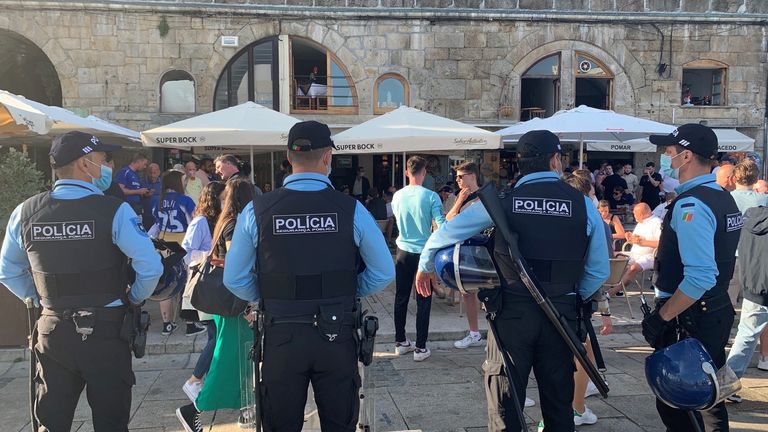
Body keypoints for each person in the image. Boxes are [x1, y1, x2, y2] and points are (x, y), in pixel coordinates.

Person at [415, 130, 609, 431]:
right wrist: (568, 295)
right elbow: (599, 270)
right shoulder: (583, 205)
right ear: (555, 160)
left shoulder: (501, 202)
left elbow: (444, 234)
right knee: (559, 407)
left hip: (511, 316)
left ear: (518, 164)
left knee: (506, 407)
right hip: (561, 317)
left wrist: (424, 266)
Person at [220, 121, 394, 431]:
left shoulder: (257, 211)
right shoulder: (351, 209)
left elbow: (234, 278)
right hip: (336, 333)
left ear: (288, 156)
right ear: (328, 157)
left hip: (281, 333)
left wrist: (268, 297)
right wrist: (350, 290)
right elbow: (382, 271)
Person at [0, 131, 163, 431]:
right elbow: (150, 267)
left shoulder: (25, 212)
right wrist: (134, 298)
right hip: (106, 331)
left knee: (51, 422)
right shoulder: (113, 210)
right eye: (103, 159)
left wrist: (41, 300)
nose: (108, 166)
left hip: (53, 332)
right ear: (84, 165)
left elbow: (8, 271)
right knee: (111, 422)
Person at [642, 123, 742, 431]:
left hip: (689, 316)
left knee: (680, 401)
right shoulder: (721, 197)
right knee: (708, 398)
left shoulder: (692, 204)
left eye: (670, 151)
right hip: (712, 309)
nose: (665, 156)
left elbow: (700, 276)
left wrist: (662, 317)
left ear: (686, 157)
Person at [176, 179, 257, 431]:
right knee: (227, 360)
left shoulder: (226, 220)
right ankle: (194, 409)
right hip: (234, 304)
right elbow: (236, 267)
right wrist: (247, 308)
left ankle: (247, 409)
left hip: (229, 303)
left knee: (241, 360)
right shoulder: (234, 224)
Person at [391, 156, 446, 361]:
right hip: (425, 252)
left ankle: (400, 341)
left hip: (403, 250)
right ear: (423, 173)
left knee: (401, 296)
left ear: (407, 173)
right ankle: (421, 347)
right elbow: (441, 225)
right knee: (424, 299)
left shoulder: (397, 196)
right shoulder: (431, 196)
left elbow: (396, 219)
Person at [179, 181, 226, 404]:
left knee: (215, 336)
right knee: (215, 337)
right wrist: (209, 255)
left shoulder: (221, 222)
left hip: (217, 286)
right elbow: (186, 254)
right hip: (204, 286)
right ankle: (195, 380)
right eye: (223, 196)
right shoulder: (200, 222)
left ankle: (205, 381)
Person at [725, 205, 768, 402]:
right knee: (746, 334)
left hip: (753, 285)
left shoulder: (750, 217)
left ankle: (726, 385)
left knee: (746, 335)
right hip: (759, 284)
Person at [149, 170, 198, 336]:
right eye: (183, 180)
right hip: (184, 245)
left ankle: (167, 325)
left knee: (167, 283)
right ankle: (191, 324)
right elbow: (194, 224)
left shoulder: (158, 201)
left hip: (164, 245)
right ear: (177, 182)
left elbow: (156, 224)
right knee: (187, 284)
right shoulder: (185, 200)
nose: (185, 183)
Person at [445, 162, 484, 349]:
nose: (457, 180)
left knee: (488, 293)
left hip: (481, 250)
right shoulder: (459, 197)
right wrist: (459, 201)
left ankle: (494, 336)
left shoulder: (483, 198)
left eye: (461, 176)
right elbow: (449, 220)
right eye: (457, 177)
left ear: (472, 176)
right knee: (466, 292)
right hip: (464, 249)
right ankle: (474, 332)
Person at [615, 203, 661, 288]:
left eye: (635, 214)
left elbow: (661, 243)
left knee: (633, 268)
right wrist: (630, 237)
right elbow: (635, 240)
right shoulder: (641, 222)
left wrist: (643, 242)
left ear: (641, 215)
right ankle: (611, 285)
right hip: (634, 254)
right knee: (611, 256)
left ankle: (612, 292)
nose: (634, 216)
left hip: (650, 256)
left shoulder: (657, 223)